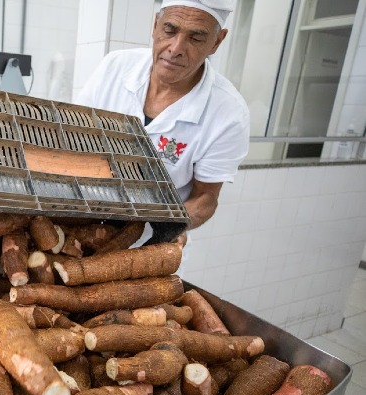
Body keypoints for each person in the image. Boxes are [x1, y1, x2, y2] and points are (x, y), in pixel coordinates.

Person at [76, 0, 249, 252]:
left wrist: (170, 227)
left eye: (196, 37)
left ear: (217, 42)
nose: (176, 48)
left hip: (149, 244)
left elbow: (205, 197)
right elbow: (73, 141)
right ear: (155, 25)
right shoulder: (114, 68)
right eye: (170, 30)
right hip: (80, 225)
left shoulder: (228, 113)